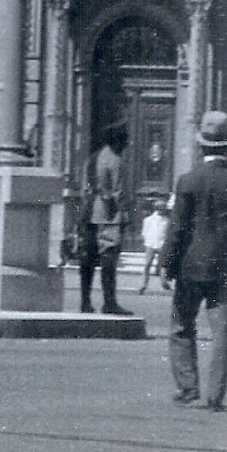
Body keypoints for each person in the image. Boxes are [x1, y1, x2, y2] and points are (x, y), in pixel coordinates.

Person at [162, 110, 227, 412]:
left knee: (181, 327)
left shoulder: (187, 182)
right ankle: (214, 397)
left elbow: (177, 228)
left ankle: (188, 388)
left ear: (202, 146)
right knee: (222, 336)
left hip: (191, 268)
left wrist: (167, 264)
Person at [78, 123, 131, 315]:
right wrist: (125, 214)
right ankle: (110, 302)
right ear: (117, 140)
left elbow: (85, 188)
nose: (126, 144)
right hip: (109, 215)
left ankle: (85, 301)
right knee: (109, 259)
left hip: (90, 212)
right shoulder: (115, 160)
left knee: (88, 259)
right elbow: (119, 191)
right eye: (124, 140)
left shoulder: (91, 159)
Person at [137, 200, 171, 293]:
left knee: (163, 264)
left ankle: (164, 282)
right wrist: (147, 241)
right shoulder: (148, 220)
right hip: (150, 244)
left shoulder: (167, 221)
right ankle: (144, 284)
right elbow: (145, 232)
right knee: (147, 264)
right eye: (161, 209)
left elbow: (167, 233)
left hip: (162, 244)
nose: (163, 211)